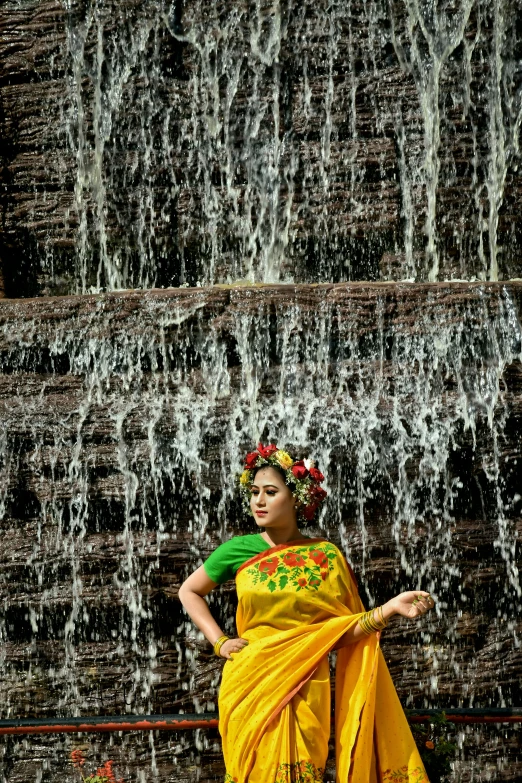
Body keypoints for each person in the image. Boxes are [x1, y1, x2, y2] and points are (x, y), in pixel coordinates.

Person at [179, 444, 435, 783]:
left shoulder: (325, 556)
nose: (259, 501)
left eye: (271, 492)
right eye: (254, 492)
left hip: (306, 687)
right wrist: (220, 642)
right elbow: (189, 591)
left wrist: (388, 610)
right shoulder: (237, 550)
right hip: (250, 681)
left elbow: (337, 633)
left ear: (297, 498)